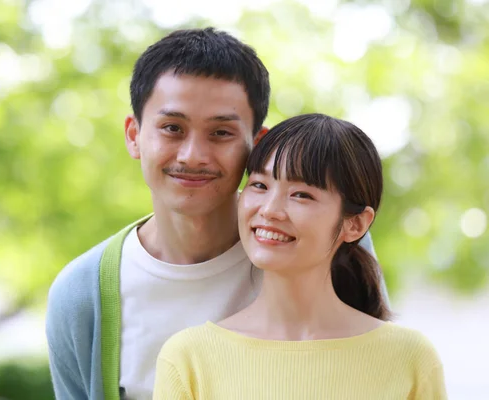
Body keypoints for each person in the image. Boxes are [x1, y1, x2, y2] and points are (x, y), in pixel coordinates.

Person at [45, 29, 386, 400]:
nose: (193, 155)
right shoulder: (82, 294)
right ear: (134, 135)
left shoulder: (318, 244)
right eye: (172, 128)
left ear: (257, 143)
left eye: (221, 132)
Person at [153, 113, 446, 399]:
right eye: (259, 185)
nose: (268, 209)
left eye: (301, 195)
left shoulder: (410, 360)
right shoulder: (189, 359)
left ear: (355, 224)